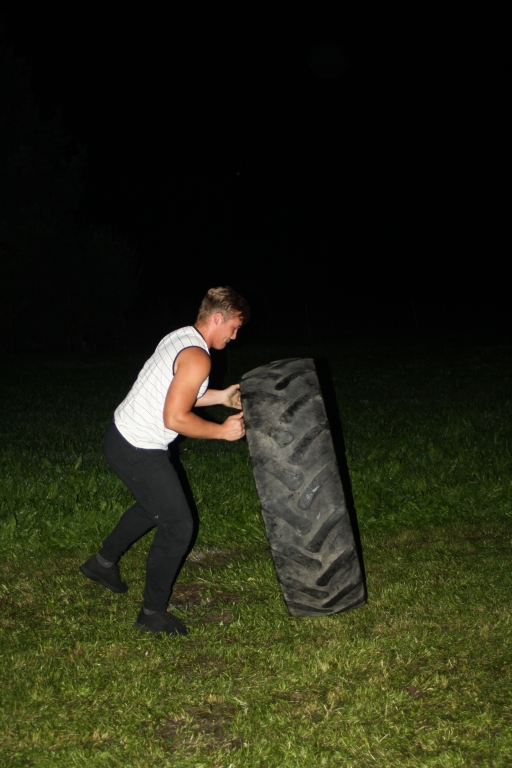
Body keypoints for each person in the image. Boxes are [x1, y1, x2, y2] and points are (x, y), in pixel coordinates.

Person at [80, 286, 249, 636]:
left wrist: (221, 396)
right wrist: (222, 432)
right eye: (234, 327)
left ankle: (102, 563)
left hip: (121, 436)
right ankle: (152, 613)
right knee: (178, 524)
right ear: (218, 318)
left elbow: (180, 391)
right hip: (138, 448)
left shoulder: (181, 337)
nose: (234, 336)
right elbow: (175, 417)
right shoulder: (199, 358)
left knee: (152, 506)